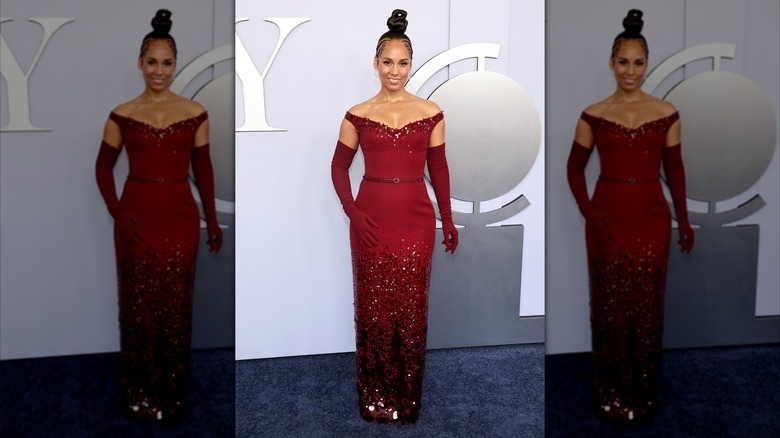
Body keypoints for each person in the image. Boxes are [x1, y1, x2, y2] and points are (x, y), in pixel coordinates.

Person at [566, 9, 694, 422]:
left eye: (638, 63)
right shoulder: (593, 114)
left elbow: (674, 171)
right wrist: (588, 213)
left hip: (652, 219)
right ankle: (610, 392)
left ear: (647, 64)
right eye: (623, 62)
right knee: (609, 304)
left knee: (646, 304)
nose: (630, 70)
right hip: (606, 217)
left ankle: (641, 392)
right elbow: (573, 167)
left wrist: (684, 219)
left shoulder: (667, 113)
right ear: (611, 63)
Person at [330, 9, 458, 423]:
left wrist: (448, 219)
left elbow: (438, 169)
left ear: (411, 64)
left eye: (403, 62)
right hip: (370, 220)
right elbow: (337, 167)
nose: (395, 70)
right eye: (388, 62)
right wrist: (352, 212)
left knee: (410, 305)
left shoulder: (431, 112)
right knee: (373, 306)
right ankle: (374, 396)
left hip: (416, 221)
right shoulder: (357, 113)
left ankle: (405, 398)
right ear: (375, 63)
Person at [95, 9, 222, 422]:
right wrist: (117, 212)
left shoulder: (195, 112)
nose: (159, 70)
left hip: (180, 219)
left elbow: (203, 171)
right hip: (135, 217)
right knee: (137, 304)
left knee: (174, 305)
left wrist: (212, 220)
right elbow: (101, 167)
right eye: (152, 62)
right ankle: (138, 392)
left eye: (167, 63)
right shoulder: (122, 114)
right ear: (140, 63)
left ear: (175, 64)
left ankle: (169, 391)